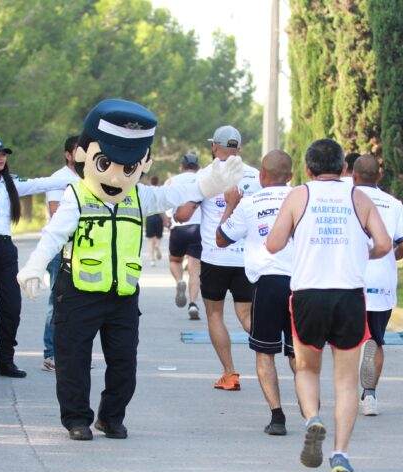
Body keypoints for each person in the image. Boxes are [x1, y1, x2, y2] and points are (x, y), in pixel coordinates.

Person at [16, 99, 243, 441]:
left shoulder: (139, 196)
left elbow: (178, 192)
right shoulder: (76, 197)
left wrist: (211, 180)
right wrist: (33, 266)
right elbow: (54, 234)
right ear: (85, 156)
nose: (117, 176)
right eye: (107, 163)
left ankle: (111, 417)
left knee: (124, 364)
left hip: (122, 295)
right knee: (73, 362)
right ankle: (77, 419)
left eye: (128, 167)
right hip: (78, 292)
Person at [266, 138, 391, 472]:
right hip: (349, 294)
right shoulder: (358, 197)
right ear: (344, 169)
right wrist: (364, 253)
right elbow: (384, 243)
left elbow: (273, 243)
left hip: (308, 293)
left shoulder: (298, 195)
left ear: (307, 169)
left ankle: (313, 418)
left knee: (306, 369)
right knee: (347, 381)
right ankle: (340, 454)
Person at [0, 134, 70, 380]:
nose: (0, 157)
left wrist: (81, 177)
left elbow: (43, 183)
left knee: (11, 307)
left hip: (6, 248)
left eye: (3, 154)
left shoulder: (12, 183)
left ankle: (5, 360)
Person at [216, 149, 296, 435]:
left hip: (267, 283)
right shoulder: (303, 198)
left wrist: (230, 205)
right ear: (290, 177)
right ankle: (310, 410)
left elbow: (221, 239)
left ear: (262, 175)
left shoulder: (249, 204)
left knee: (265, 351)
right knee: (298, 352)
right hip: (301, 283)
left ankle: (277, 417)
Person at [197, 125, 261, 390]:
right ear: (239, 148)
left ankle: (230, 373)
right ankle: (268, 341)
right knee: (246, 314)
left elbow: (182, 212)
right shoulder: (257, 176)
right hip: (245, 257)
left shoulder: (206, 175)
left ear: (215, 147)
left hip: (215, 256)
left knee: (215, 314)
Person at [353, 155, 403, 416]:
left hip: (350, 279)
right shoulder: (394, 204)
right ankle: (370, 396)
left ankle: (345, 389)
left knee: (346, 340)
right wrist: (389, 258)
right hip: (381, 282)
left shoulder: (346, 199)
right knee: (377, 339)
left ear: (353, 176)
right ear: (379, 176)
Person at [41, 135, 81, 372]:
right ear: (68, 154)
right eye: (78, 150)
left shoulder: (90, 178)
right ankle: (51, 352)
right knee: (57, 300)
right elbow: (55, 212)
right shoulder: (59, 179)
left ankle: (71, 352)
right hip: (60, 247)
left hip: (82, 248)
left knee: (77, 303)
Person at [166, 153, 203, 320]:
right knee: (195, 270)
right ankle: (193, 304)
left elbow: (163, 201)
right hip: (198, 228)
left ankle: (179, 280)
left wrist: (166, 219)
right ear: (198, 167)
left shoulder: (173, 180)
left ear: (182, 166)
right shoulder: (202, 180)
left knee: (175, 260)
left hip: (179, 227)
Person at [144, 175, 167, 266]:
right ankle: (157, 246)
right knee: (159, 237)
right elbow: (162, 207)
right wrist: (165, 219)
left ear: (151, 181)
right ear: (158, 182)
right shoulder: (160, 191)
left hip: (149, 217)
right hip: (158, 217)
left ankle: (152, 259)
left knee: (150, 239)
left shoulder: (146, 192)